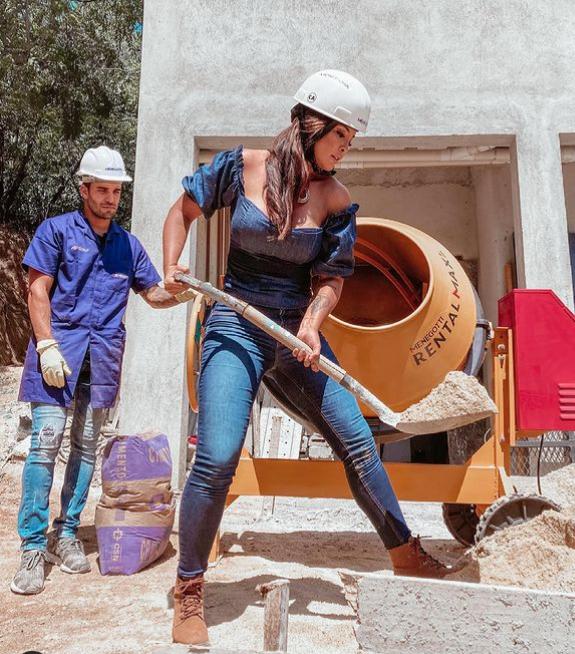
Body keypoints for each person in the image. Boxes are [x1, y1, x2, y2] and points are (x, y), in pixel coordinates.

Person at [163, 70, 447, 646]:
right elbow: (181, 213)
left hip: (297, 330)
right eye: (341, 135)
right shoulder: (239, 167)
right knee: (217, 457)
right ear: (310, 124)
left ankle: (407, 556)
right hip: (235, 322)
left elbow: (331, 279)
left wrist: (313, 328)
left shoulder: (336, 200)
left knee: (360, 443)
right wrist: (173, 265)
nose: (346, 148)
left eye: (351, 139)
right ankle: (189, 589)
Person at [11, 146, 193, 596]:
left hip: (103, 360)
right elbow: (37, 290)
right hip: (57, 356)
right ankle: (32, 546)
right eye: (103, 190)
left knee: (87, 448)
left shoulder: (128, 246)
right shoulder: (55, 232)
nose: (111, 198)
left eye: (116, 191)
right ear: (84, 189)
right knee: (45, 446)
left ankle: (67, 533)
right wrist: (47, 344)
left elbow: (153, 294)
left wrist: (182, 292)